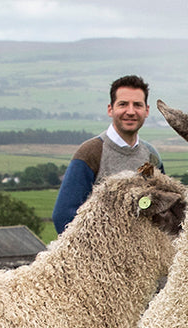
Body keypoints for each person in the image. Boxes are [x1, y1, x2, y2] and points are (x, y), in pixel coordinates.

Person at [51, 75, 165, 235]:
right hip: (98, 256)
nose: (131, 112)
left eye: (137, 105)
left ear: (146, 111)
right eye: (123, 104)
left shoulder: (152, 156)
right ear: (110, 109)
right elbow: (63, 216)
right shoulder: (91, 153)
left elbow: (163, 211)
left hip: (144, 256)